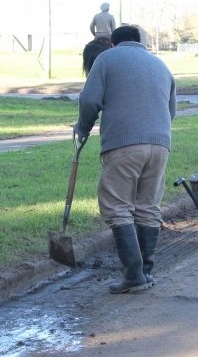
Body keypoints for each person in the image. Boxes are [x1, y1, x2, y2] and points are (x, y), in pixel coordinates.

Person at [74, 25, 177, 293]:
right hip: (161, 144)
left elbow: (89, 101)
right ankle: (145, 273)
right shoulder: (161, 65)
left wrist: (82, 128)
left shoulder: (106, 59)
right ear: (139, 41)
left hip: (123, 144)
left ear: (114, 43)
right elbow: (171, 110)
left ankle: (133, 276)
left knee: (117, 206)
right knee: (147, 206)